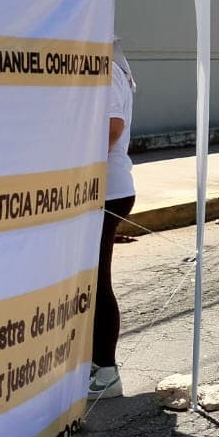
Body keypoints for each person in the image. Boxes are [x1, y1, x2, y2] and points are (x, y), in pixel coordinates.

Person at [87, 45, 136, 401]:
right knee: (87, 282)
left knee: (97, 281)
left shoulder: (108, 68)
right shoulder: (107, 62)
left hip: (107, 189)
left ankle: (106, 371)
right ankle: (92, 363)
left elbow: (112, 128)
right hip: (100, 188)